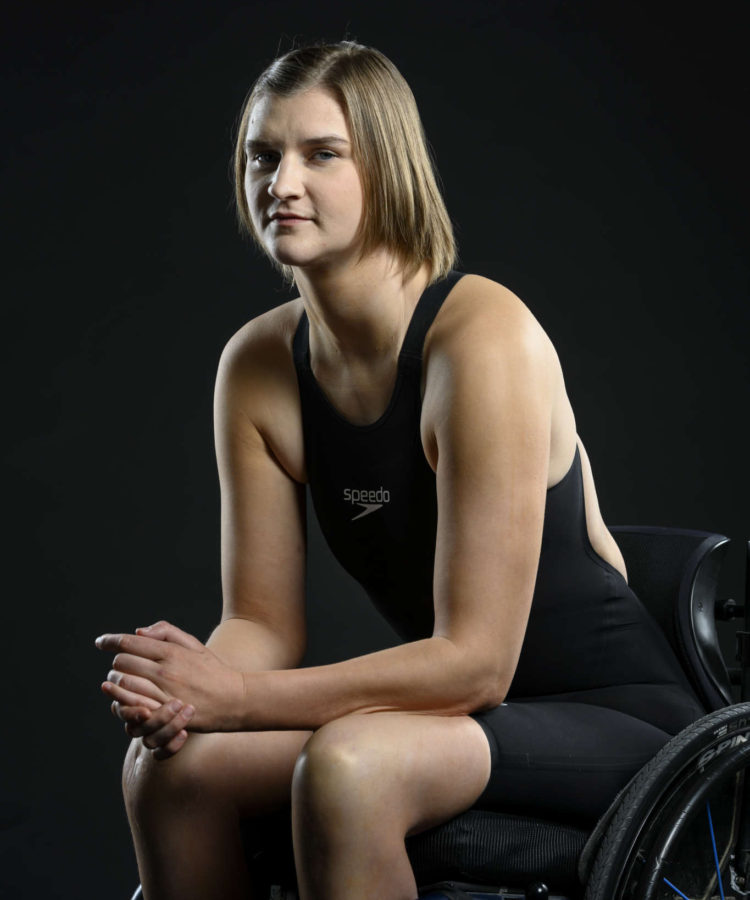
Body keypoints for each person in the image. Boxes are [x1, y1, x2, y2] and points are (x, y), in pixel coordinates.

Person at [95, 40, 705, 900]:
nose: (283, 182)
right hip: (450, 717)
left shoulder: (482, 337)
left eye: (322, 153)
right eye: (262, 156)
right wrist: (191, 696)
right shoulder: (259, 365)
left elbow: (476, 664)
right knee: (170, 772)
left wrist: (238, 698)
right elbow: (262, 627)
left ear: (387, 170)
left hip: (610, 717)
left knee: (351, 768)